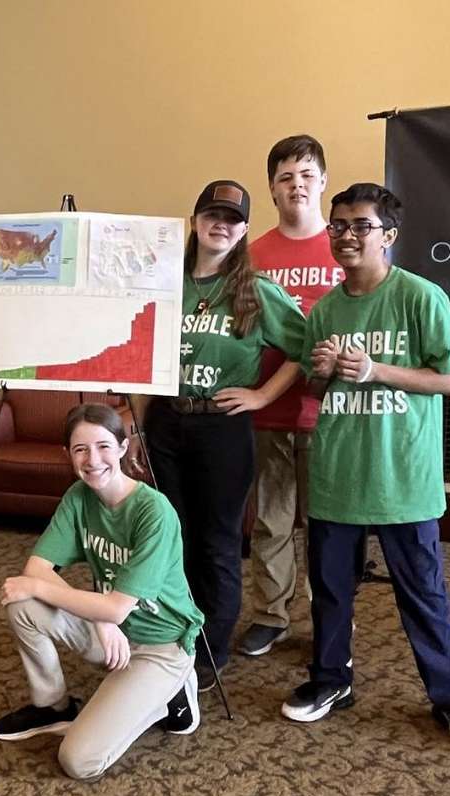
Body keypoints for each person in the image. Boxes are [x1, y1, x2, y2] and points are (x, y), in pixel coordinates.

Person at [281, 182, 450, 754]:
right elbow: (314, 380)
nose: (346, 236)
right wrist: (323, 369)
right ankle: (331, 681)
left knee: (423, 595)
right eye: (338, 226)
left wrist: (377, 369)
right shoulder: (325, 307)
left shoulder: (421, 297)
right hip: (336, 475)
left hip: (402, 479)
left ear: (389, 236)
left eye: (360, 226)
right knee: (329, 591)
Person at [140, 180, 306, 691]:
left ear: (245, 230)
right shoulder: (164, 283)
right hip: (166, 422)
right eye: (212, 214)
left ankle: (210, 650)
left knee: (216, 542)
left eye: (233, 219)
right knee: (172, 537)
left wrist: (260, 396)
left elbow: (304, 348)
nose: (221, 225)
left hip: (222, 427)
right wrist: (135, 424)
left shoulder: (256, 290)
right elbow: (143, 359)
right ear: (194, 220)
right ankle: (174, 635)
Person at [0, 403, 204, 780]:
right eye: (80, 449)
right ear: (68, 455)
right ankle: (53, 706)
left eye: (104, 446)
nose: (93, 460)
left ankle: (172, 694)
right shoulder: (78, 497)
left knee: (79, 761)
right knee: (22, 602)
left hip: (160, 646)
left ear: (124, 447)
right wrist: (102, 618)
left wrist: (105, 613)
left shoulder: (153, 512)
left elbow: (114, 606)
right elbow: (36, 568)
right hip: (112, 628)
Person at [240, 135, 344, 656]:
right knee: (271, 520)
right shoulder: (253, 254)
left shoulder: (344, 247)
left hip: (333, 413)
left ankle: (329, 620)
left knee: (329, 526)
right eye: (285, 177)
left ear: (323, 181)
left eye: (306, 175)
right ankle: (270, 614)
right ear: (272, 189)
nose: (296, 185)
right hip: (269, 409)